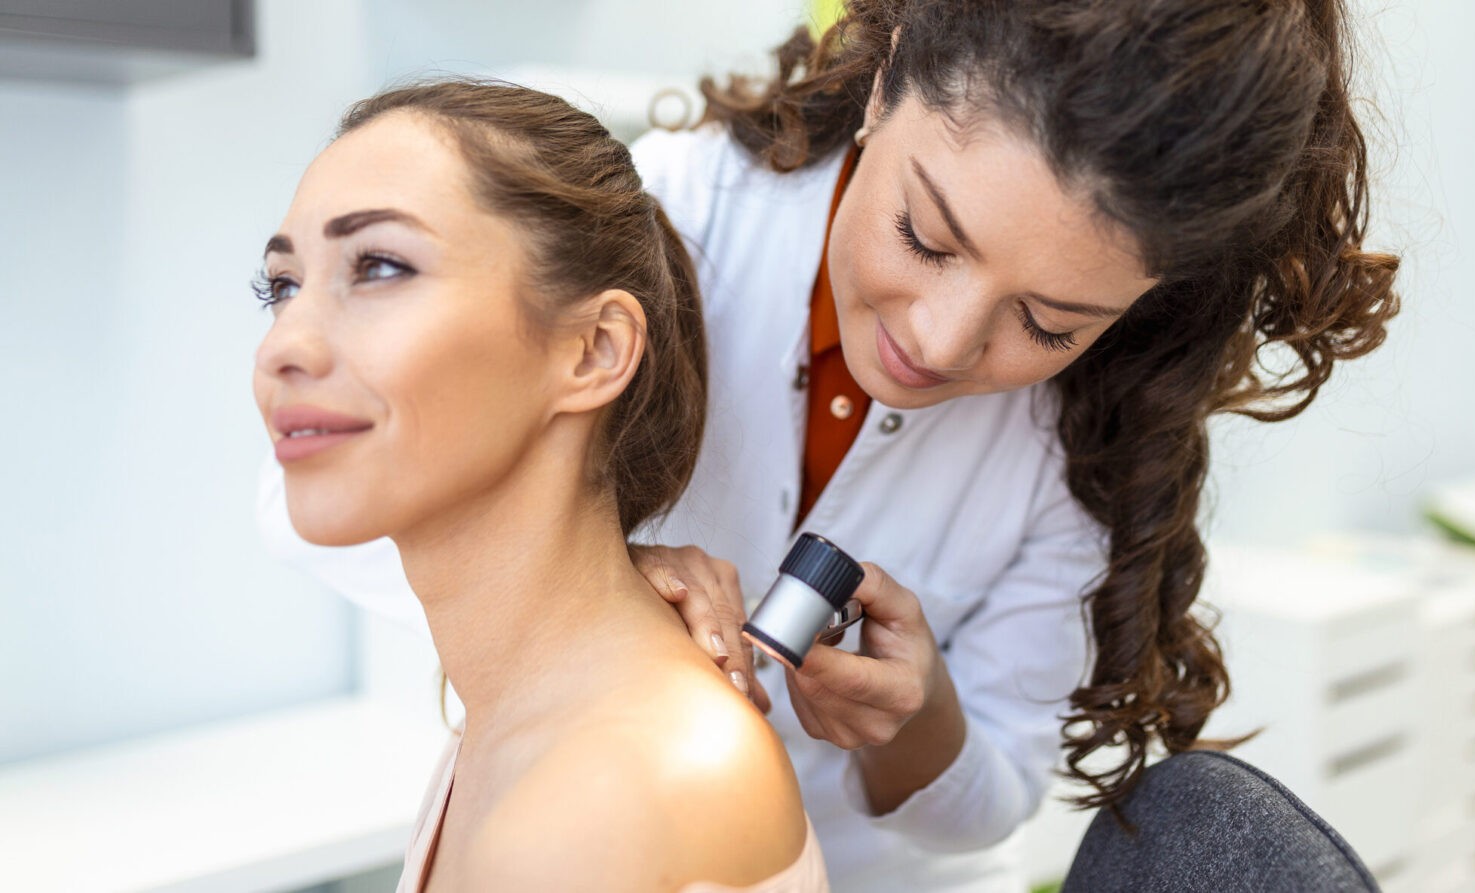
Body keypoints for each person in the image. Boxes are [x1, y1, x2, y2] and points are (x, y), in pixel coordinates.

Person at [257, 1, 1400, 889]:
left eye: (1047, 322)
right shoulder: (666, 235)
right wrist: (583, 572)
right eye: (924, 235)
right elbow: (329, 485)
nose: (938, 340)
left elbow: (992, 798)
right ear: (886, 73)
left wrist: (922, 722)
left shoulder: (1083, 434)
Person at [251, 80, 827, 892]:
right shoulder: (511, 716)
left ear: (593, 349)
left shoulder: (605, 801)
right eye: (282, 286)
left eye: (379, 265)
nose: (284, 345)